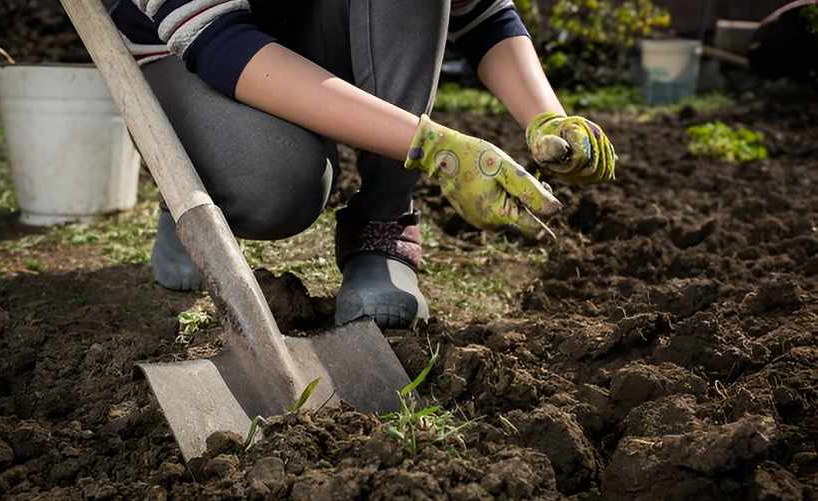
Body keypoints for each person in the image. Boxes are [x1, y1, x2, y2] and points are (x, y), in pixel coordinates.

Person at [108, 0, 616, 329]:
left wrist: (547, 121)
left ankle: (384, 226)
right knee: (279, 183)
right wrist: (433, 147)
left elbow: (482, 14)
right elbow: (218, 42)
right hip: (183, 54)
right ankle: (196, 186)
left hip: (297, 29)